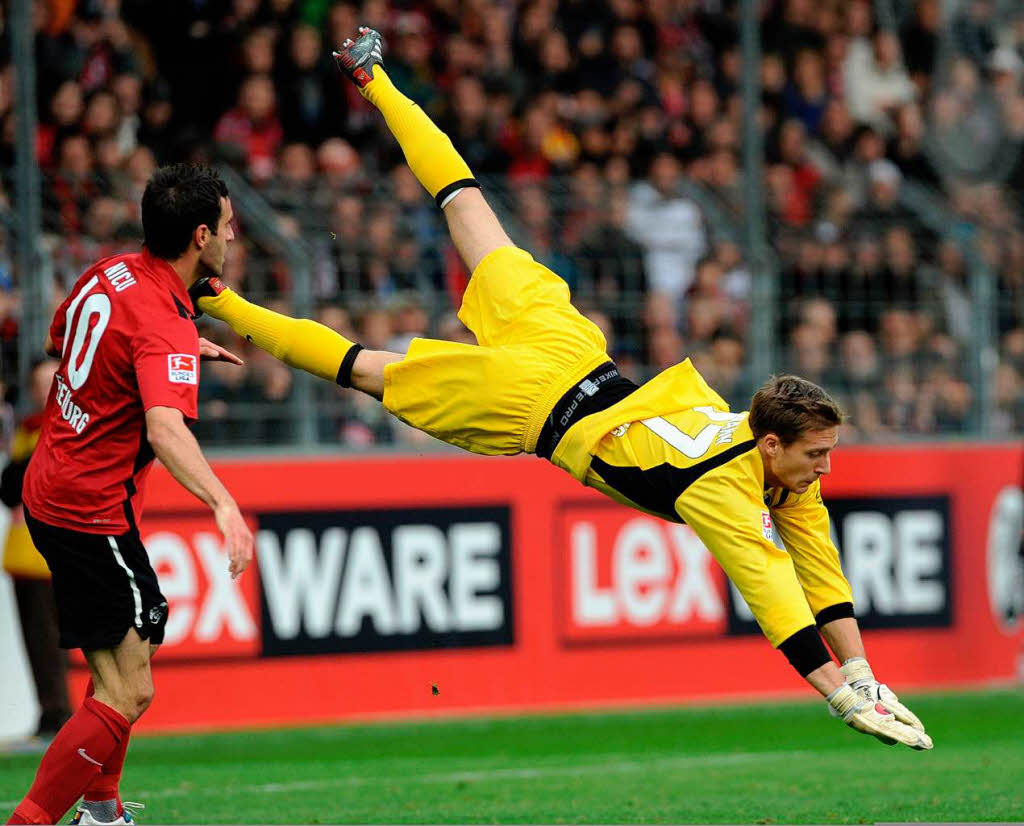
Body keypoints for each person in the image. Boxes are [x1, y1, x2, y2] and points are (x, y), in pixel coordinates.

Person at [192, 28, 931, 751]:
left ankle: (372, 77)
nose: (825, 469)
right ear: (773, 443)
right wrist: (838, 693)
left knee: (463, 197)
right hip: (532, 404)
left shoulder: (781, 465)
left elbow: (820, 568)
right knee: (361, 367)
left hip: (572, 346)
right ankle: (219, 300)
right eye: (819, 455)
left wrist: (864, 671)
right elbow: (773, 592)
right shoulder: (725, 488)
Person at [6, 164, 254, 826]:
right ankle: (32, 820)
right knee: (131, 688)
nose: (233, 236)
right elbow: (165, 429)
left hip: (52, 488)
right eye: (228, 226)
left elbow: (68, 345)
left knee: (119, 665)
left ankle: (103, 812)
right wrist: (223, 504)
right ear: (200, 236)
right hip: (91, 510)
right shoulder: (164, 321)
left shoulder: (108, 274)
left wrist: (163, 352)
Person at [1, 358, 72, 743]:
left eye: (52, 383)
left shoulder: (69, 427)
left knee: (54, 640)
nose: (45, 393)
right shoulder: (30, 430)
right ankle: (53, 715)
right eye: (39, 385)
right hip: (28, 554)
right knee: (40, 642)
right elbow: (10, 486)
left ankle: (62, 717)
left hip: (58, 552)